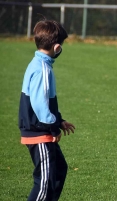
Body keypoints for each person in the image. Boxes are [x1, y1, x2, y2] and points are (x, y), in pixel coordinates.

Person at [18, 19, 75, 201]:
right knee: (44, 181)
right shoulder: (42, 69)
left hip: (42, 128)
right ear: (57, 47)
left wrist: (59, 120)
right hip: (39, 132)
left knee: (58, 170)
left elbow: (46, 101)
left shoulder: (39, 64)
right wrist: (53, 128)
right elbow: (40, 106)